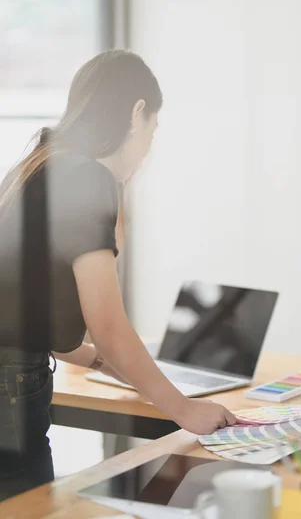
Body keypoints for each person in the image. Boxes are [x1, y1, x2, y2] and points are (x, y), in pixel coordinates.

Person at [0, 50, 235, 500]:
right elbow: (108, 325)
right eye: (154, 130)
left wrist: (101, 361)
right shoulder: (86, 177)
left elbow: (23, 307)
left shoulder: (38, 166)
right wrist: (184, 409)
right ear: (136, 114)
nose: (149, 146)